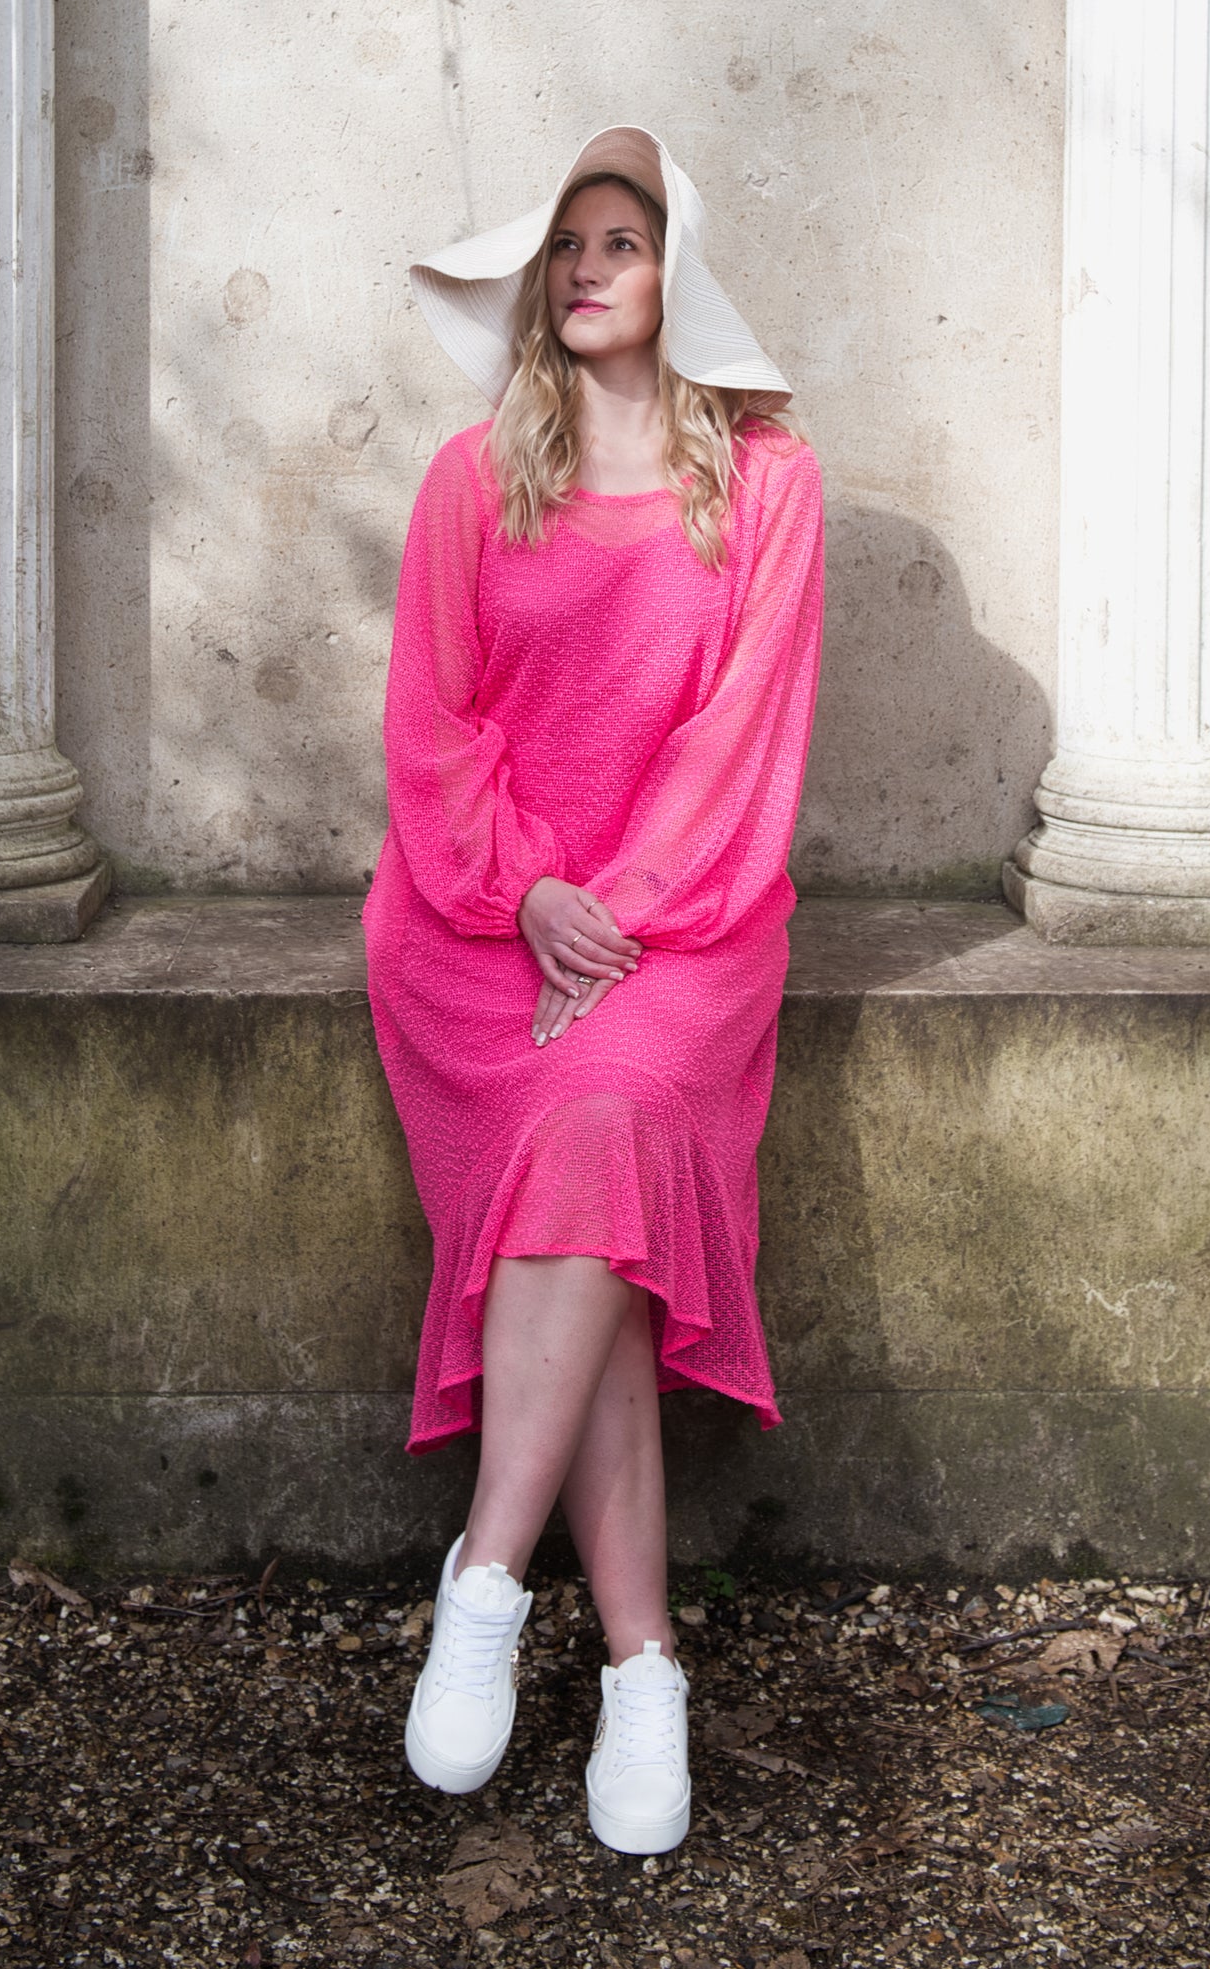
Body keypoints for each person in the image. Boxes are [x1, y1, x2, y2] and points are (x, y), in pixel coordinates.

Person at [362, 124, 824, 1855]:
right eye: (563, 243)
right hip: (477, 926)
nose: (582, 268)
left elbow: (738, 743)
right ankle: (640, 1663)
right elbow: (434, 727)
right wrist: (529, 893)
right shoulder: (473, 479)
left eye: (617, 240)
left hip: (686, 928)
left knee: (609, 1116)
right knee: (597, 1185)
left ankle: (486, 1574)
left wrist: (614, 914)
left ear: (673, 270)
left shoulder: (769, 485)